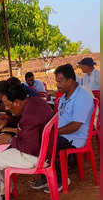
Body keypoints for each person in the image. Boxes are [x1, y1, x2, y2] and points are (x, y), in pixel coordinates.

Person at [31, 64, 94, 192]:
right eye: (56, 82)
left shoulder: (82, 97)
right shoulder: (64, 97)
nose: (57, 85)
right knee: (38, 138)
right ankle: (46, 175)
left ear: (70, 80)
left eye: (60, 81)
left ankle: (61, 179)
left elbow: (76, 125)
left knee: (48, 142)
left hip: (75, 138)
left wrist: (54, 132)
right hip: (63, 134)